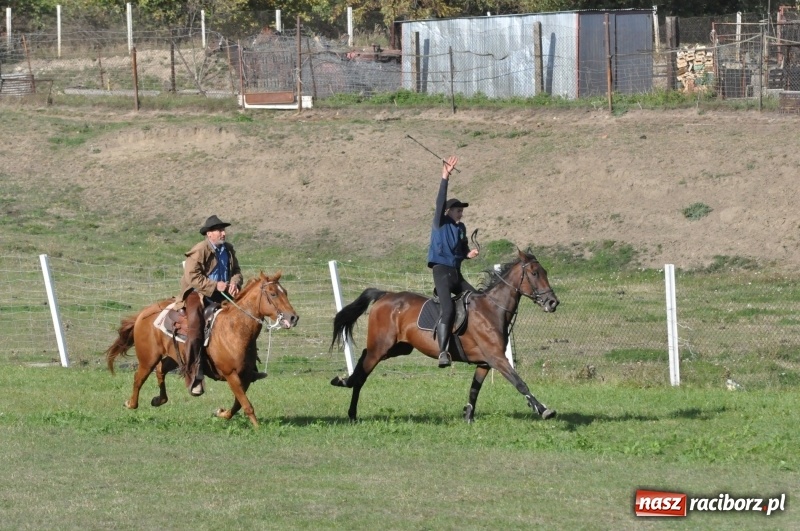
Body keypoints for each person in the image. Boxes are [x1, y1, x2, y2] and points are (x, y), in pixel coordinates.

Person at [175, 215, 243, 396]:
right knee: (195, 327)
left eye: (223, 229)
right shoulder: (200, 250)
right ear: (209, 234)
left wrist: (234, 282)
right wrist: (215, 285)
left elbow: (236, 271)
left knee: (244, 320)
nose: (223, 233)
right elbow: (192, 276)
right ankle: (195, 374)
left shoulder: (228, 249)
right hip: (197, 293)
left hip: (222, 293)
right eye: (219, 230)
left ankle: (247, 366)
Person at [427, 155, 479, 368]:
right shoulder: (440, 221)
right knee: (447, 309)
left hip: (456, 273)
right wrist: (445, 176)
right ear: (448, 211)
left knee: (477, 299)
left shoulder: (461, 228)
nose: (461, 212)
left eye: (462, 209)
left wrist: (468, 254)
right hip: (441, 271)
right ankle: (443, 352)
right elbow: (440, 201)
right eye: (458, 209)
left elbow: (462, 248)